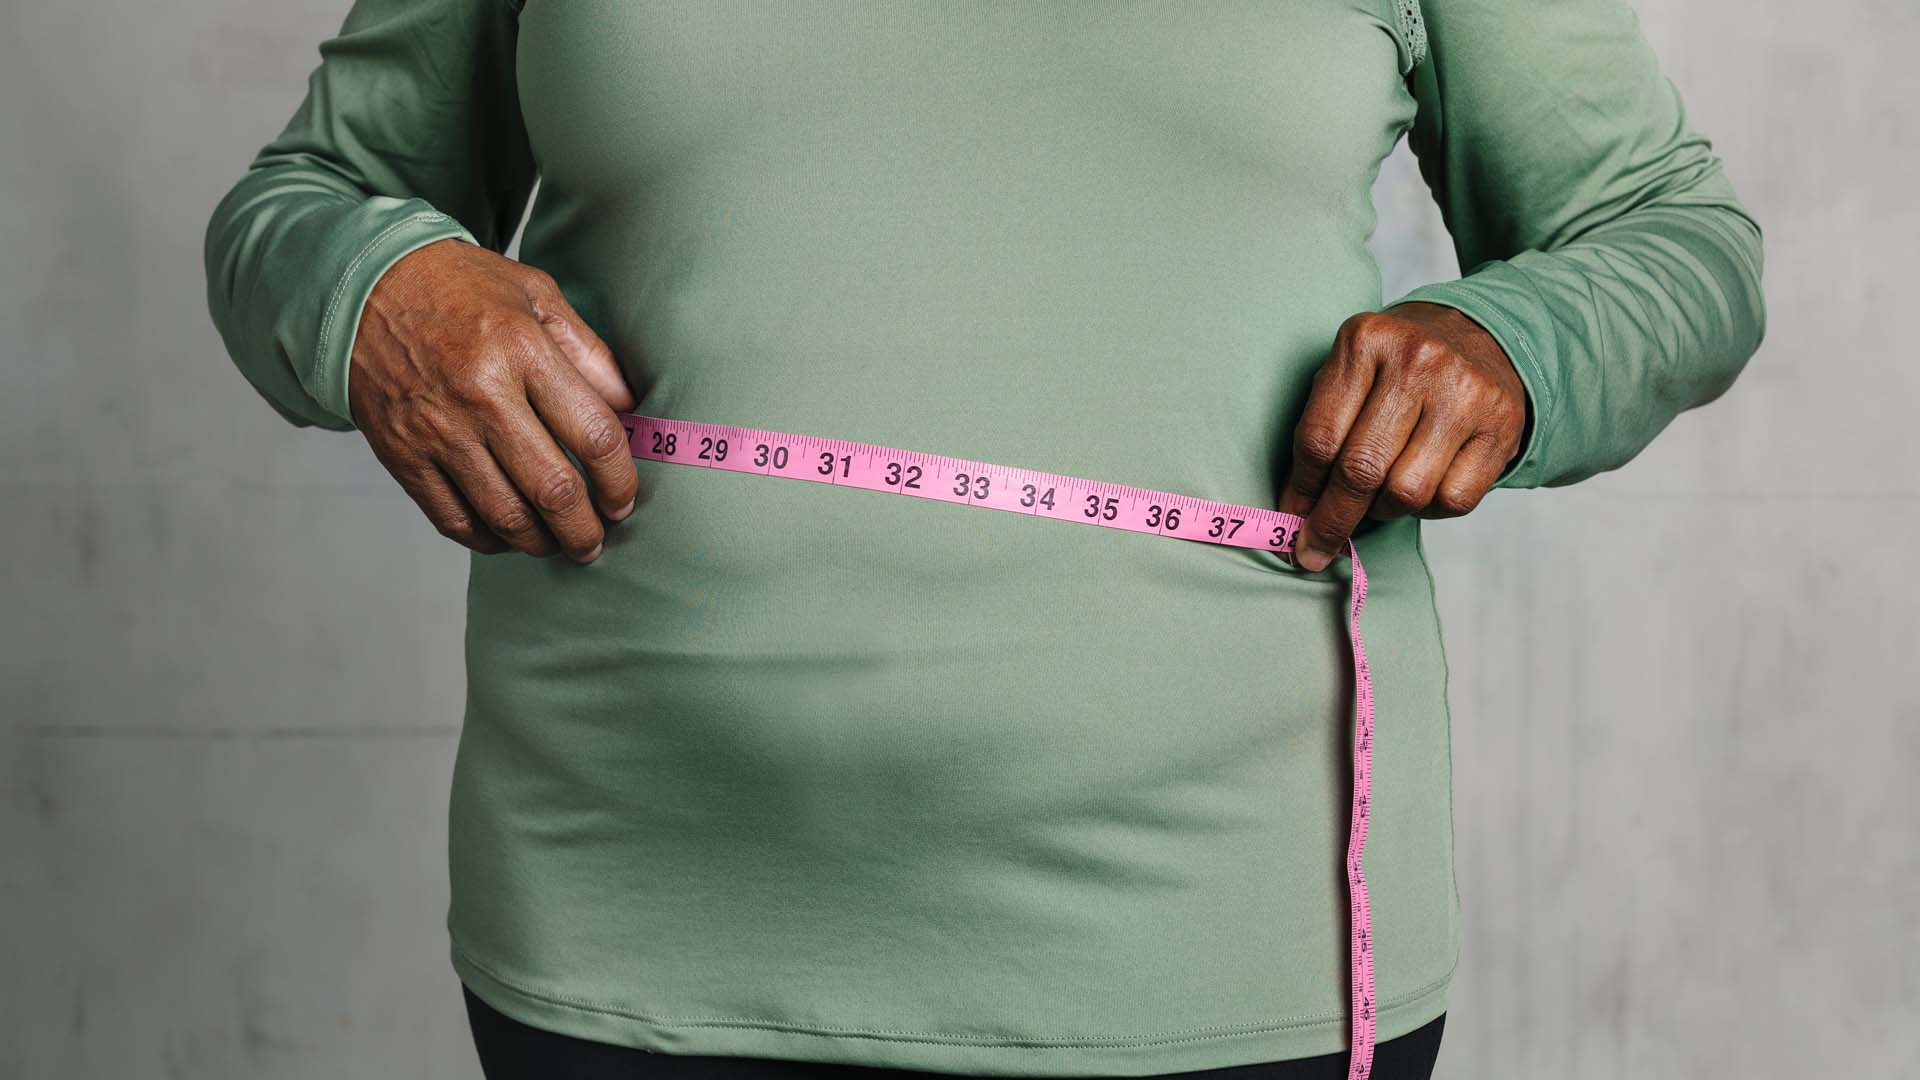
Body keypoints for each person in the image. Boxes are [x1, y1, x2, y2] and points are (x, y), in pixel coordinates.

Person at [202, 2, 1765, 1078]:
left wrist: (1513, 346)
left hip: (1227, 950)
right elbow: (310, 195)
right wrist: (377, 291)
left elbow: (1668, 237)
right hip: (632, 926)